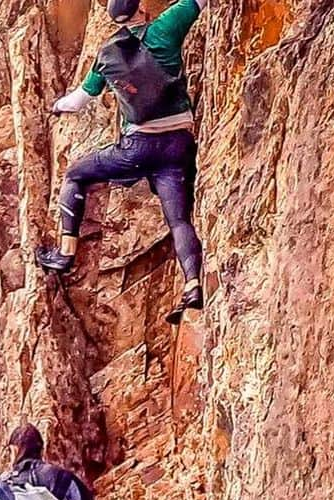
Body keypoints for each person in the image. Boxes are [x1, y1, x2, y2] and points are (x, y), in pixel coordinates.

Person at [36, 0, 206, 325]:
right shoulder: (164, 28)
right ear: (141, 7)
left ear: (117, 20)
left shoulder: (107, 54)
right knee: (179, 221)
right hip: (176, 144)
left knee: (75, 174)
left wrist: (56, 107)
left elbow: (77, 101)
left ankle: (65, 253)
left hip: (137, 148)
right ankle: (192, 284)